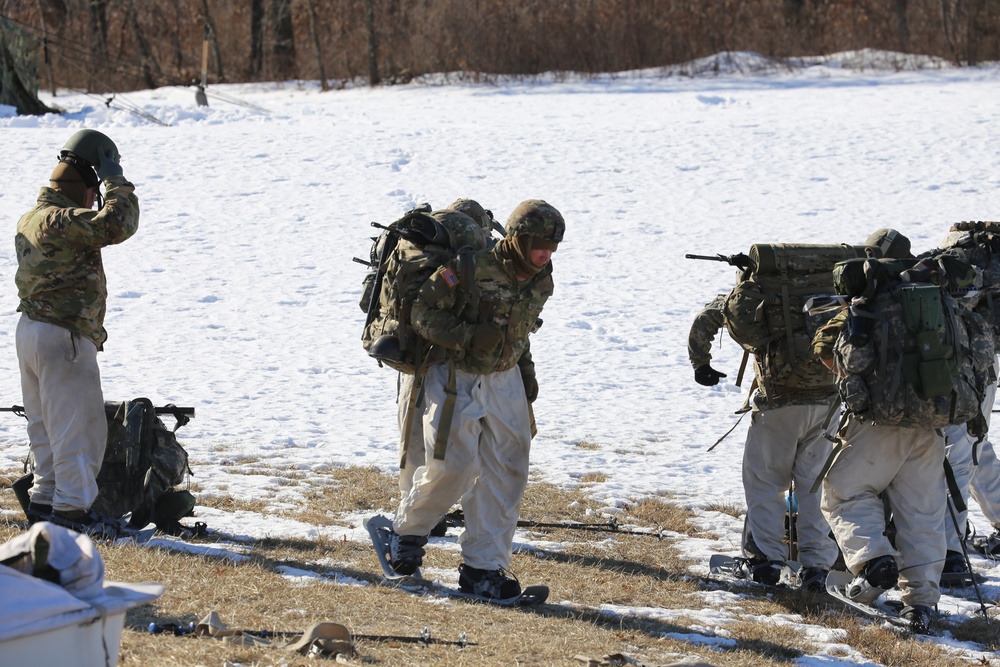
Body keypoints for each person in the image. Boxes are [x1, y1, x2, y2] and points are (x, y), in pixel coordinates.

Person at [386, 199, 563, 601]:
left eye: (553, 247)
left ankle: (483, 568)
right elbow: (422, 314)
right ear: (518, 238)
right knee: (454, 467)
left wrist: (527, 372)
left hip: (505, 378)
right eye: (539, 244)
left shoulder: (541, 279)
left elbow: (521, 331)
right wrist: (467, 337)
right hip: (454, 374)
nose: (545, 254)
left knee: (508, 470)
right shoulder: (468, 269)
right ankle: (406, 536)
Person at [812, 228, 947, 634]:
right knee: (921, 513)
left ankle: (874, 562)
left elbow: (826, 348)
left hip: (878, 423)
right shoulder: (937, 297)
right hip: (933, 423)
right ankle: (921, 603)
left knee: (843, 492)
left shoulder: (868, 297)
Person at [15, 129, 140, 537]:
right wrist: (116, 181)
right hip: (63, 337)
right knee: (78, 431)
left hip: (32, 332)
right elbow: (117, 223)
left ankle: (45, 506)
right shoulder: (62, 219)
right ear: (85, 184)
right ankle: (73, 515)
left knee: (46, 430)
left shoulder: (33, 216)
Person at [689, 294, 840, 591]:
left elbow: (706, 318)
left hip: (777, 403)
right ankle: (817, 566)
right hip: (827, 403)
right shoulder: (831, 290)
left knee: (766, 483)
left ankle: (767, 560)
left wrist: (701, 362)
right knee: (815, 486)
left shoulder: (758, 290)